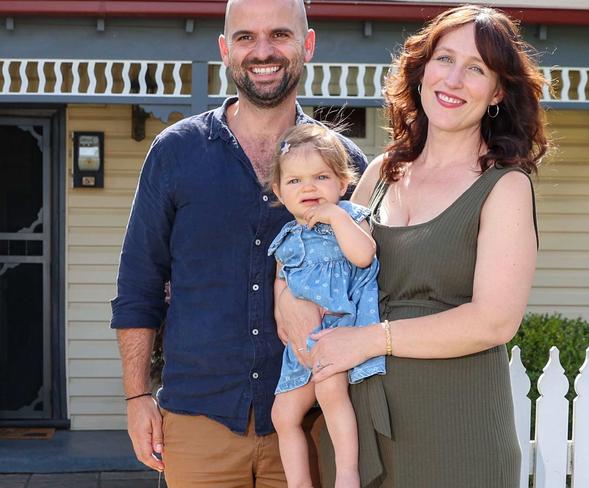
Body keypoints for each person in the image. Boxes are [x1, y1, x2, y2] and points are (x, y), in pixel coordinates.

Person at [278, 5, 548, 487]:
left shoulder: (505, 186)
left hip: (456, 433)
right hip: (360, 429)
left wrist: (369, 339)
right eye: (445, 59)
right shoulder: (379, 174)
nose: (454, 80)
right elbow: (320, 256)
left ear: (498, 92)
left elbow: (494, 321)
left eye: (476, 69)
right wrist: (287, 302)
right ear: (422, 71)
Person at [109, 0, 367, 486]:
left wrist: (287, 291)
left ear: (307, 45)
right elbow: (139, 285)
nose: (262, 51)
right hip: (197, 422)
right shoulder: (176, 152)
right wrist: (137, 397)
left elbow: (372, 278)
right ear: (226, 51)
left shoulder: (343, 163)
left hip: (310, 425)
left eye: (280, 35)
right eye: (246, 37)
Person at [267, 124, 385, 488]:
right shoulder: (286, 237)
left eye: (320, 177)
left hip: (340, 332)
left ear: (342, 182)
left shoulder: (351, 216)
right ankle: (299, 482)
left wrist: (336, 217)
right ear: (278, 191)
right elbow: (281, 280)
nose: (308, 187)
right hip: (302, 344)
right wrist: (280, 309)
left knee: (330, 392)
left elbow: (364, 255)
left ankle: (347, 473)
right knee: (282, 414)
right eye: (295, 181)